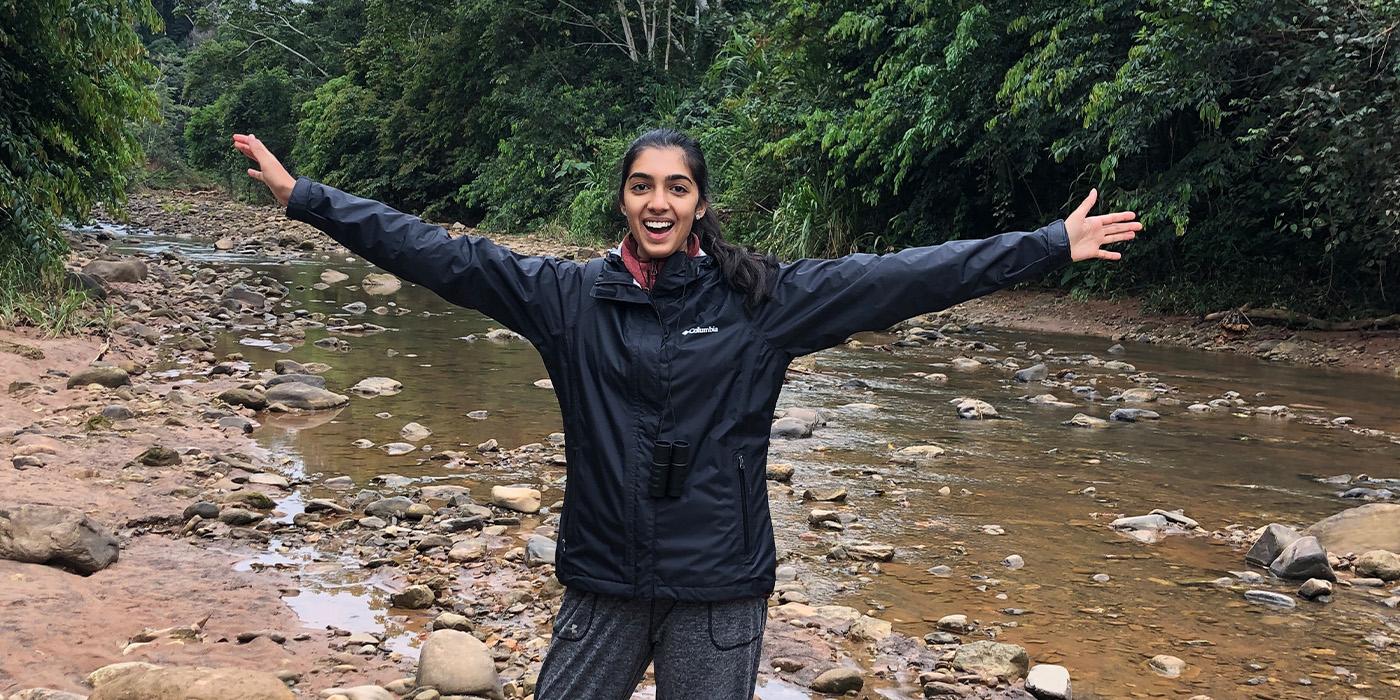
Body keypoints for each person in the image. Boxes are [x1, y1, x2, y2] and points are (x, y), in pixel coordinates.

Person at [232, 128, 1138, 699]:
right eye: (641, 186)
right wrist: (309, 200)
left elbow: (906, 275)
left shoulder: (764, 300)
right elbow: (440, 255)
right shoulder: (566, 298)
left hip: (718, 588)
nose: (657, 201)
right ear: (621, 199)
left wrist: (1049, 243)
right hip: (603, 583)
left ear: (699, 203)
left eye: (675, 187)